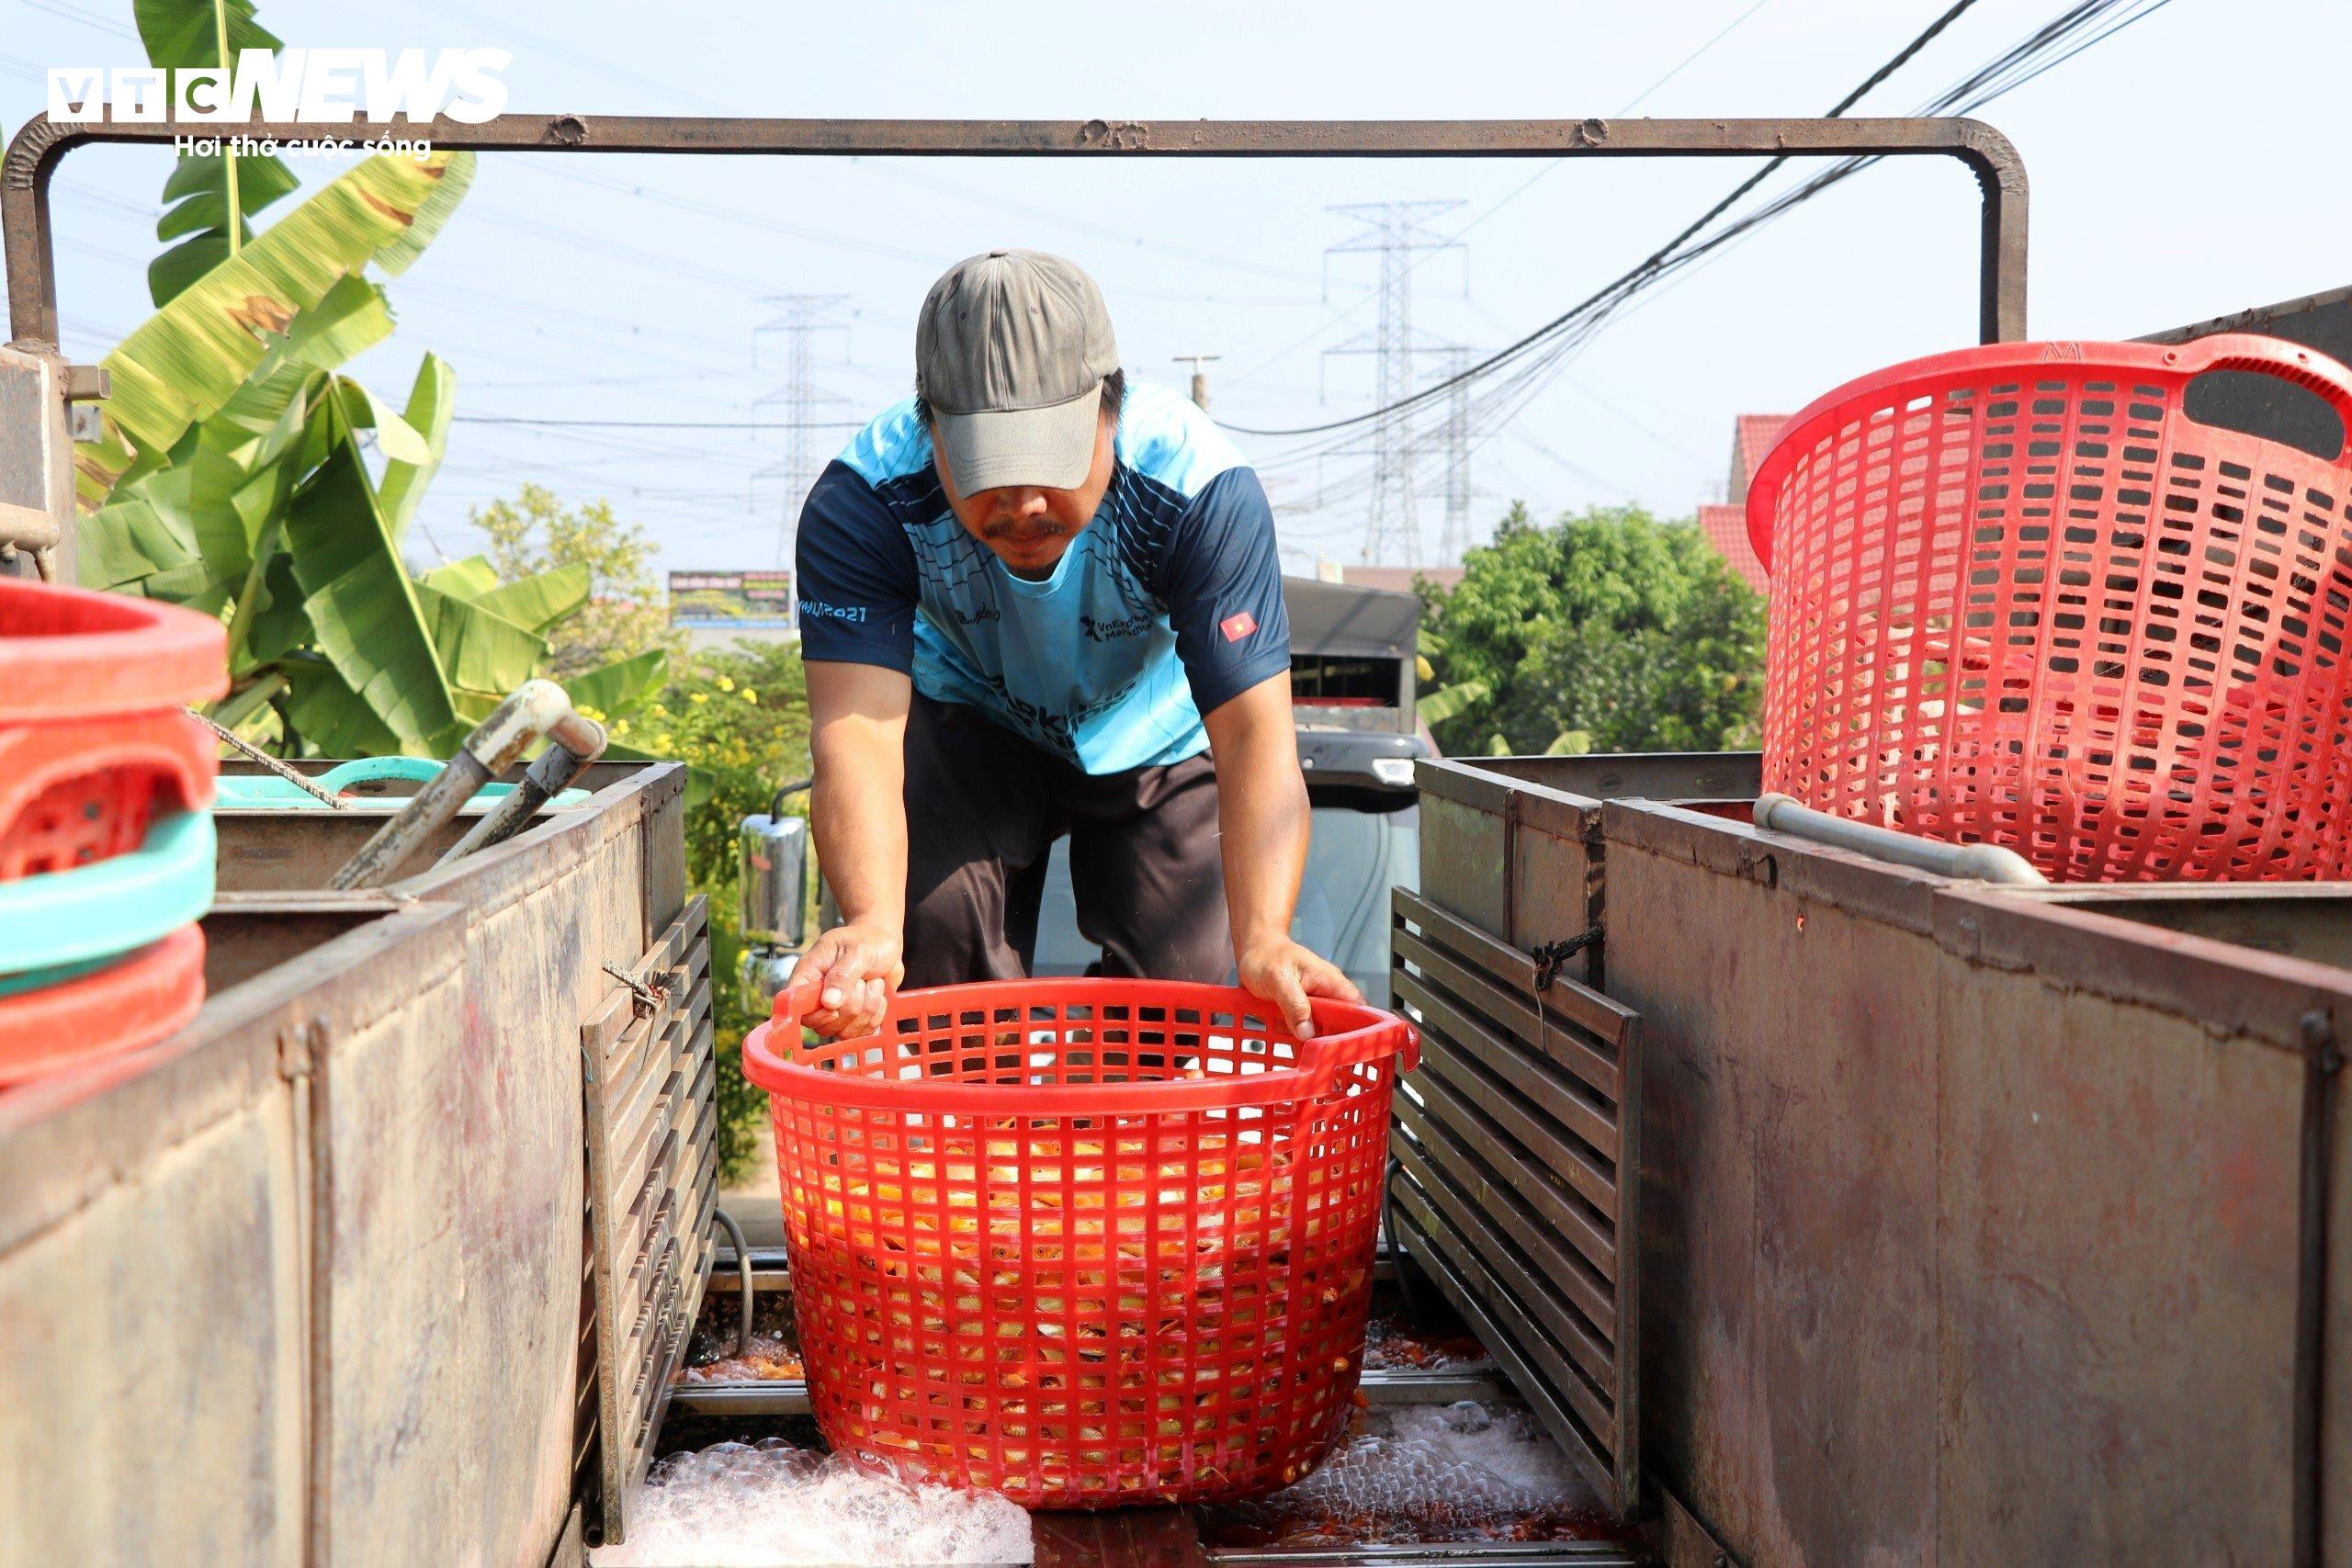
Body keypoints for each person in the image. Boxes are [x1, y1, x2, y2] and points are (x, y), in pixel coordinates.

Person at [790, 248, 1360, 1040]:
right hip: (969, 718)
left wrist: (1263, 933)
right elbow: (855, 734)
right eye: (989, 469)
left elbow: (1254, 730)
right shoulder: (865, 502)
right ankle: (985, 1144)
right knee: (932, 956)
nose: (1024, 504)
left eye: (1051, 463)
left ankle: (1114, 1145)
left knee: (1178, 1005)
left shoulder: (1198, 490)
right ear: (931, 434)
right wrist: (874, 925)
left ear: (1110, 410)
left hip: (1150, 729)